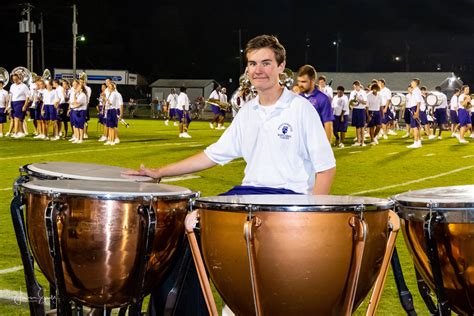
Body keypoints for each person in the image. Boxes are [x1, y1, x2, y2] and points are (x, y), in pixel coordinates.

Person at [296, 64, 334, 142]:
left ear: (312, 80)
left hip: (316, 142)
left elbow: (328, 124)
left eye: (303, 82)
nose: (300, 85)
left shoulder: (322, 99)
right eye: (299, 81)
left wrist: (326, 148)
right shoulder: (298, 98)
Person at [9, 73, 30, 138]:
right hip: (13, 103)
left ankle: (16, 133)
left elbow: (27, 96)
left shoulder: (24, 86)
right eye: (13, 79)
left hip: (20, 103)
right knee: (20, 119)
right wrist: (9, 105)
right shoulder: (12, 86)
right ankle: (22, 132)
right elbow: (11, 95)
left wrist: (25, 105)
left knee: (16, 118)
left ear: (19, 78)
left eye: (16, 79)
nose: (15, 80)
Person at [407, 79, 424, 148]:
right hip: (414, 108)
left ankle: (415, 143)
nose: (411, 83)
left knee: (415, 127)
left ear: (415, 83)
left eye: (412, 82)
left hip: (414, 108)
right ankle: (418, 142)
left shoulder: (415, 90)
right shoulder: (416, 90)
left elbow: (418, 102)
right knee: (417, 126)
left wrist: (416, 111)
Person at [349, 80, 368, 146]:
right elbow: (351, 102)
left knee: (362, 126)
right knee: (357, 126)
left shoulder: (363, 92)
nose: (354, 88)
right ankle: (358, 141)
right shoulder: (352, 92)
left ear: (358, 86)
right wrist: (351, 105)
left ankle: (363, 142)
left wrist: (358, 99)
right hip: (355, 110)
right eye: (354, 87)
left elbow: (365, 102)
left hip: (361, 110)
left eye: (355, 87)